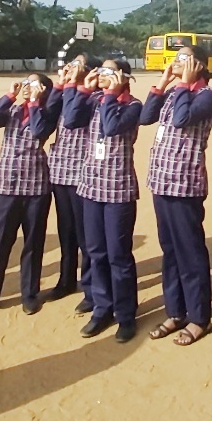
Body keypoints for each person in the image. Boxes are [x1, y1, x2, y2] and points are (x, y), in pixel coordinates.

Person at [142, 45, 212, 346]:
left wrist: (185, 84)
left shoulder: (205, 95)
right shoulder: (173, 93)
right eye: (175, 59)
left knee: (190, 252)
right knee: (170, 251)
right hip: (160, 181)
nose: (176, 63)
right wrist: (162, 83)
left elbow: (181, 120)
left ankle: (199, 318)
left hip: (184, 183)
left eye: (183, 59)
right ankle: (175, 311)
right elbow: (147, 116)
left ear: (198, 65)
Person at [0, 73, 58, 319]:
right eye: (27, 82)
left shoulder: (48, 113)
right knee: (0, 240)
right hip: (6, 184)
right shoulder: (13, 110)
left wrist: (35, 102)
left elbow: (40, 130)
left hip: (35, 186)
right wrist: (10, 95)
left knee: (33, 241)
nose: (28, 87)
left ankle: (29, 294)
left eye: (34, 84)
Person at [75, 58, 143, 343]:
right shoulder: (93, 100)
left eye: (107, 71)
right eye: (99, 70)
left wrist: (111, 96)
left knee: (118, 254)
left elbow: (111, 127)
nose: (100, 75)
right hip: (91, 187)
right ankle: (102, 308)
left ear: (122, 77)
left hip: (118, 189)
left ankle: (126, 315)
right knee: (96, 251)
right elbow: (69, 119)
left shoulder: (132, 105)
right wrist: (80, 91)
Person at [45, 56, 94, 311]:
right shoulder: (68, 91)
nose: (71, 68)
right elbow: (49, 115)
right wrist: (60, 86)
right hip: (60, 169)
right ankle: (66, 279)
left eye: (77, 65)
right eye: (71, 64)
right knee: (66, 231)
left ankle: (90, 286)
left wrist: (76, 86)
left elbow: (74, 117)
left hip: (81, 172)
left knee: (85, 235)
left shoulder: (91, 95)